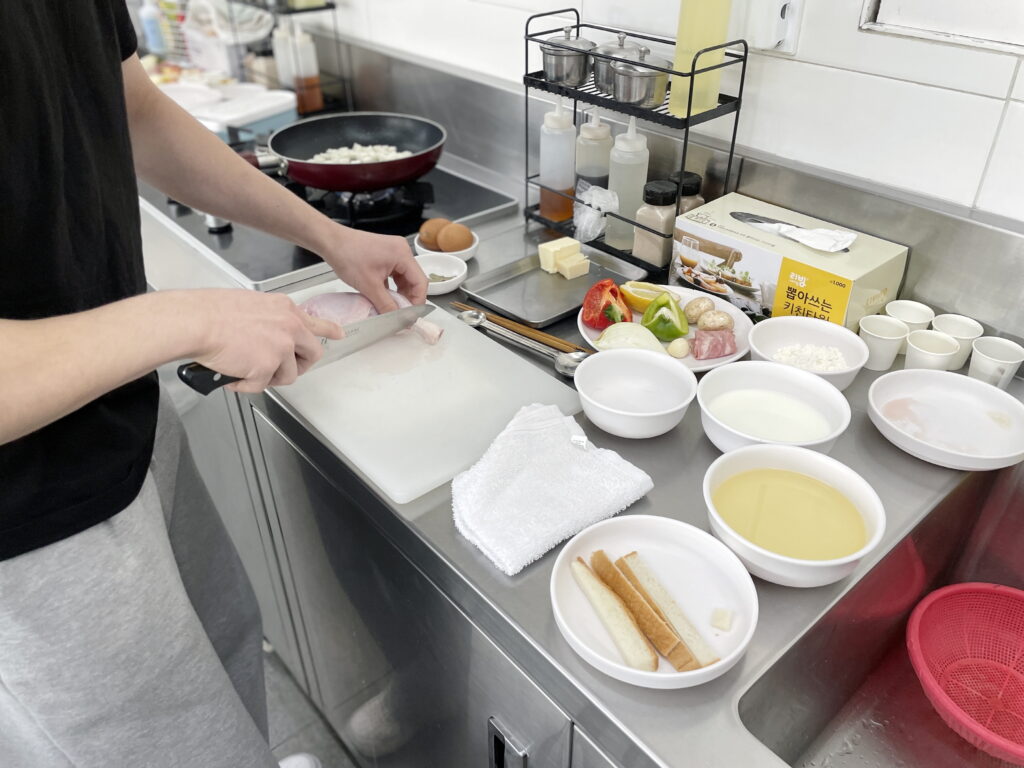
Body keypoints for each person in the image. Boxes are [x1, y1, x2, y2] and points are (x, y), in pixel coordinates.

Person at [0, 2, 427, 767]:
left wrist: (326, 236)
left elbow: (134, 109)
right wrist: (185, 323)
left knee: (226, 648)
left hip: (128, 417)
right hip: (30, 527)